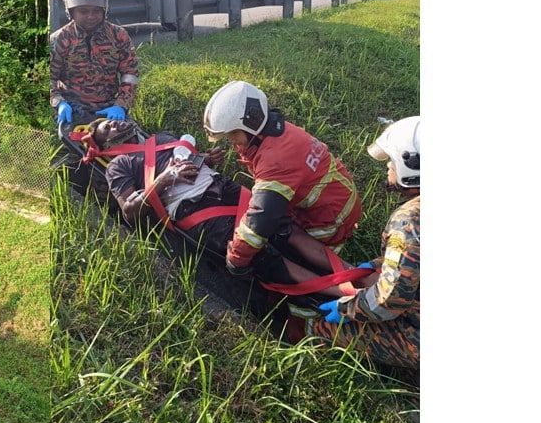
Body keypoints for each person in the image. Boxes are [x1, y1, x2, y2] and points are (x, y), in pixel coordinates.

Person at [93, 118, 361, 301]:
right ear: (106, 147)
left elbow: (188, 161)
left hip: (220, 185)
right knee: (260, 254)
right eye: (106, 127)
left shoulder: (161, 138)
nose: (114, 122)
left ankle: (360, 275)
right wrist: (165, 179)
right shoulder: (119, 166)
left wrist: (205, 159)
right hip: (194, 208)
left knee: (285, 228)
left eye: (112, 120)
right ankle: (346, 293)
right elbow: (130, 212)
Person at [203, 81, 363, 278]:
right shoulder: (278, 132)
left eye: (233, 134)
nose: (231, 140)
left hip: (329, 218)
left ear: (251, 124)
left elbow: (260, 219)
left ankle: (326, 300)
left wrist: (236, 259)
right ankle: (361, 278)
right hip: (335, 200)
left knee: (301, 269)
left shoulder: (275, 160)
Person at [313, 117, 420, 371]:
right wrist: (376, 265)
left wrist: (348, 309)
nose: (388, 168)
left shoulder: (409, 222)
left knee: (322, 328)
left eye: (392, 162)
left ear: (411, 165)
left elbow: (388, 302)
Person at [50, 0, 140, 128]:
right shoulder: (60, 39)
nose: (91, 16)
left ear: (104, 10)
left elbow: (130, 74)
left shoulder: (119, 35)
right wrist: (58, 103)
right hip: (72, 109)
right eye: (83, 11)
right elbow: (48, 79)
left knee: (126, 140)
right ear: (71, 11)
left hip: (109, 108)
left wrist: (121, 104)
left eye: (96, 11)